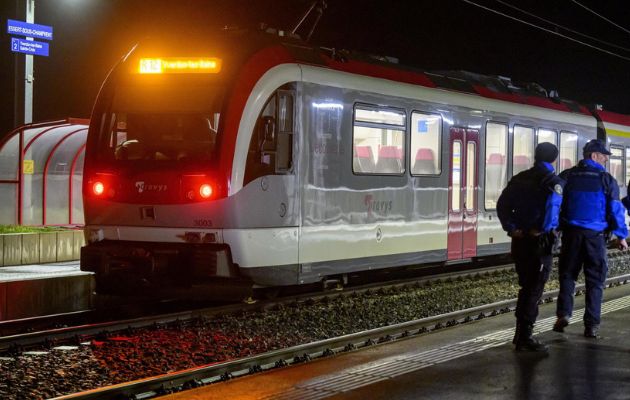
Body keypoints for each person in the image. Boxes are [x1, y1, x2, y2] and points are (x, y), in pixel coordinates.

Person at [553, 139, 628, 338]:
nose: (605, 160)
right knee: (595, 281)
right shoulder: (606, 179)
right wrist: (621, 236)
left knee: (568, 275)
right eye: (603, 156)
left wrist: (555, 227)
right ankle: (591, 325)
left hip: (571, 234)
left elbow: (555, 202)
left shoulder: (567, 176)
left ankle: (564, 313)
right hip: (595, 237)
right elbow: (616, 210)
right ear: (594, 156)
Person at [497, 142, 564, 352]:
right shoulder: (553, 182)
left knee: (526, 287)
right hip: (539, 242)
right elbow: (552, 211)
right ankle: (525, 337)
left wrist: (511, 227)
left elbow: (503, 205)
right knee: (534, 289)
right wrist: (539, 229)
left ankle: (520, 335)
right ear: (554, 159)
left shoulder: (519, 178)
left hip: (519, 241)